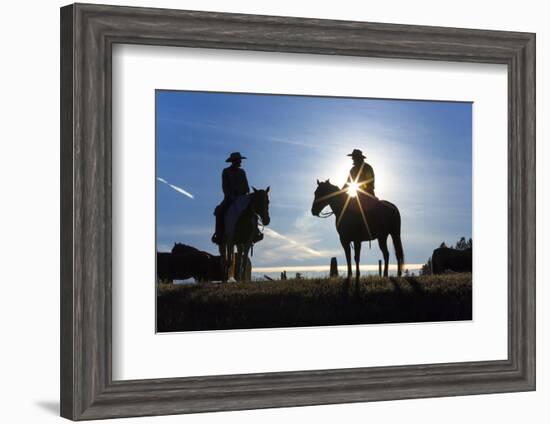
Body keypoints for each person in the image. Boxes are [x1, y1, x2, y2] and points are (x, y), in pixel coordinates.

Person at [212, 152, 262, 244]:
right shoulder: (226, 171)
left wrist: (243, 194)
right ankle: (218, 234)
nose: (240, 162)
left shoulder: (242, 172)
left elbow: (246, 186)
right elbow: (225, 186)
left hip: (242, 197)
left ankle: (255, 233)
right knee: (219, 211)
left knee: (253, 212)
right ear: (234, 161)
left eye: (240, 160)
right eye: (239, 160)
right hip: (229, 198)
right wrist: (231, 195)